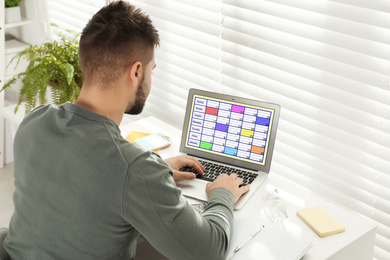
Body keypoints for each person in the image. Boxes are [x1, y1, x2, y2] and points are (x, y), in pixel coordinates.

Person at [3, 1, 250, 259]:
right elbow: (208, 251)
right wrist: (222, 193)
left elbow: (81, 177)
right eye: (151, 70)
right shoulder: (135, 170)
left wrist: (157, 170)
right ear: (136, 71)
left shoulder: (35, 122)